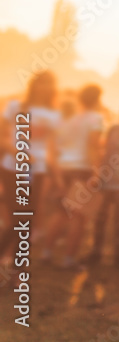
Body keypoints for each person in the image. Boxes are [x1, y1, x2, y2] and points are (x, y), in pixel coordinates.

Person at [0, 71, 61, 267]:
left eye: (49, 84)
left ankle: (17, 270)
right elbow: (2, 136)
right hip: (12, 169)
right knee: (18, 219)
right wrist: (15, 149)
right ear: (34, 85)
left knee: (26, 221)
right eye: (42, 83)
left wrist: (57, 177)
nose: (45, 88)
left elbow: (52, 149)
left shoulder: (53, 114)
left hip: (37, 171)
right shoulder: (15, 106)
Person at [43, 83, 105, 269]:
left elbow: (56, 146)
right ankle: (68, 259)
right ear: (97, 99)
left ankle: (47, 252)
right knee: (79, 217)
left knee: (61, 213)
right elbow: (93, 145)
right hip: (82, 169)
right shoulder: (96, 118)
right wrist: (97, 171)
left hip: (65, 168)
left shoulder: (70, 119)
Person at [85, 100, 119, 267]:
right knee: (100, 220)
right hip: (107, 180)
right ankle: (96, 251)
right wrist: (98, 173)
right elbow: (105, 152)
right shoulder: (114, 129)